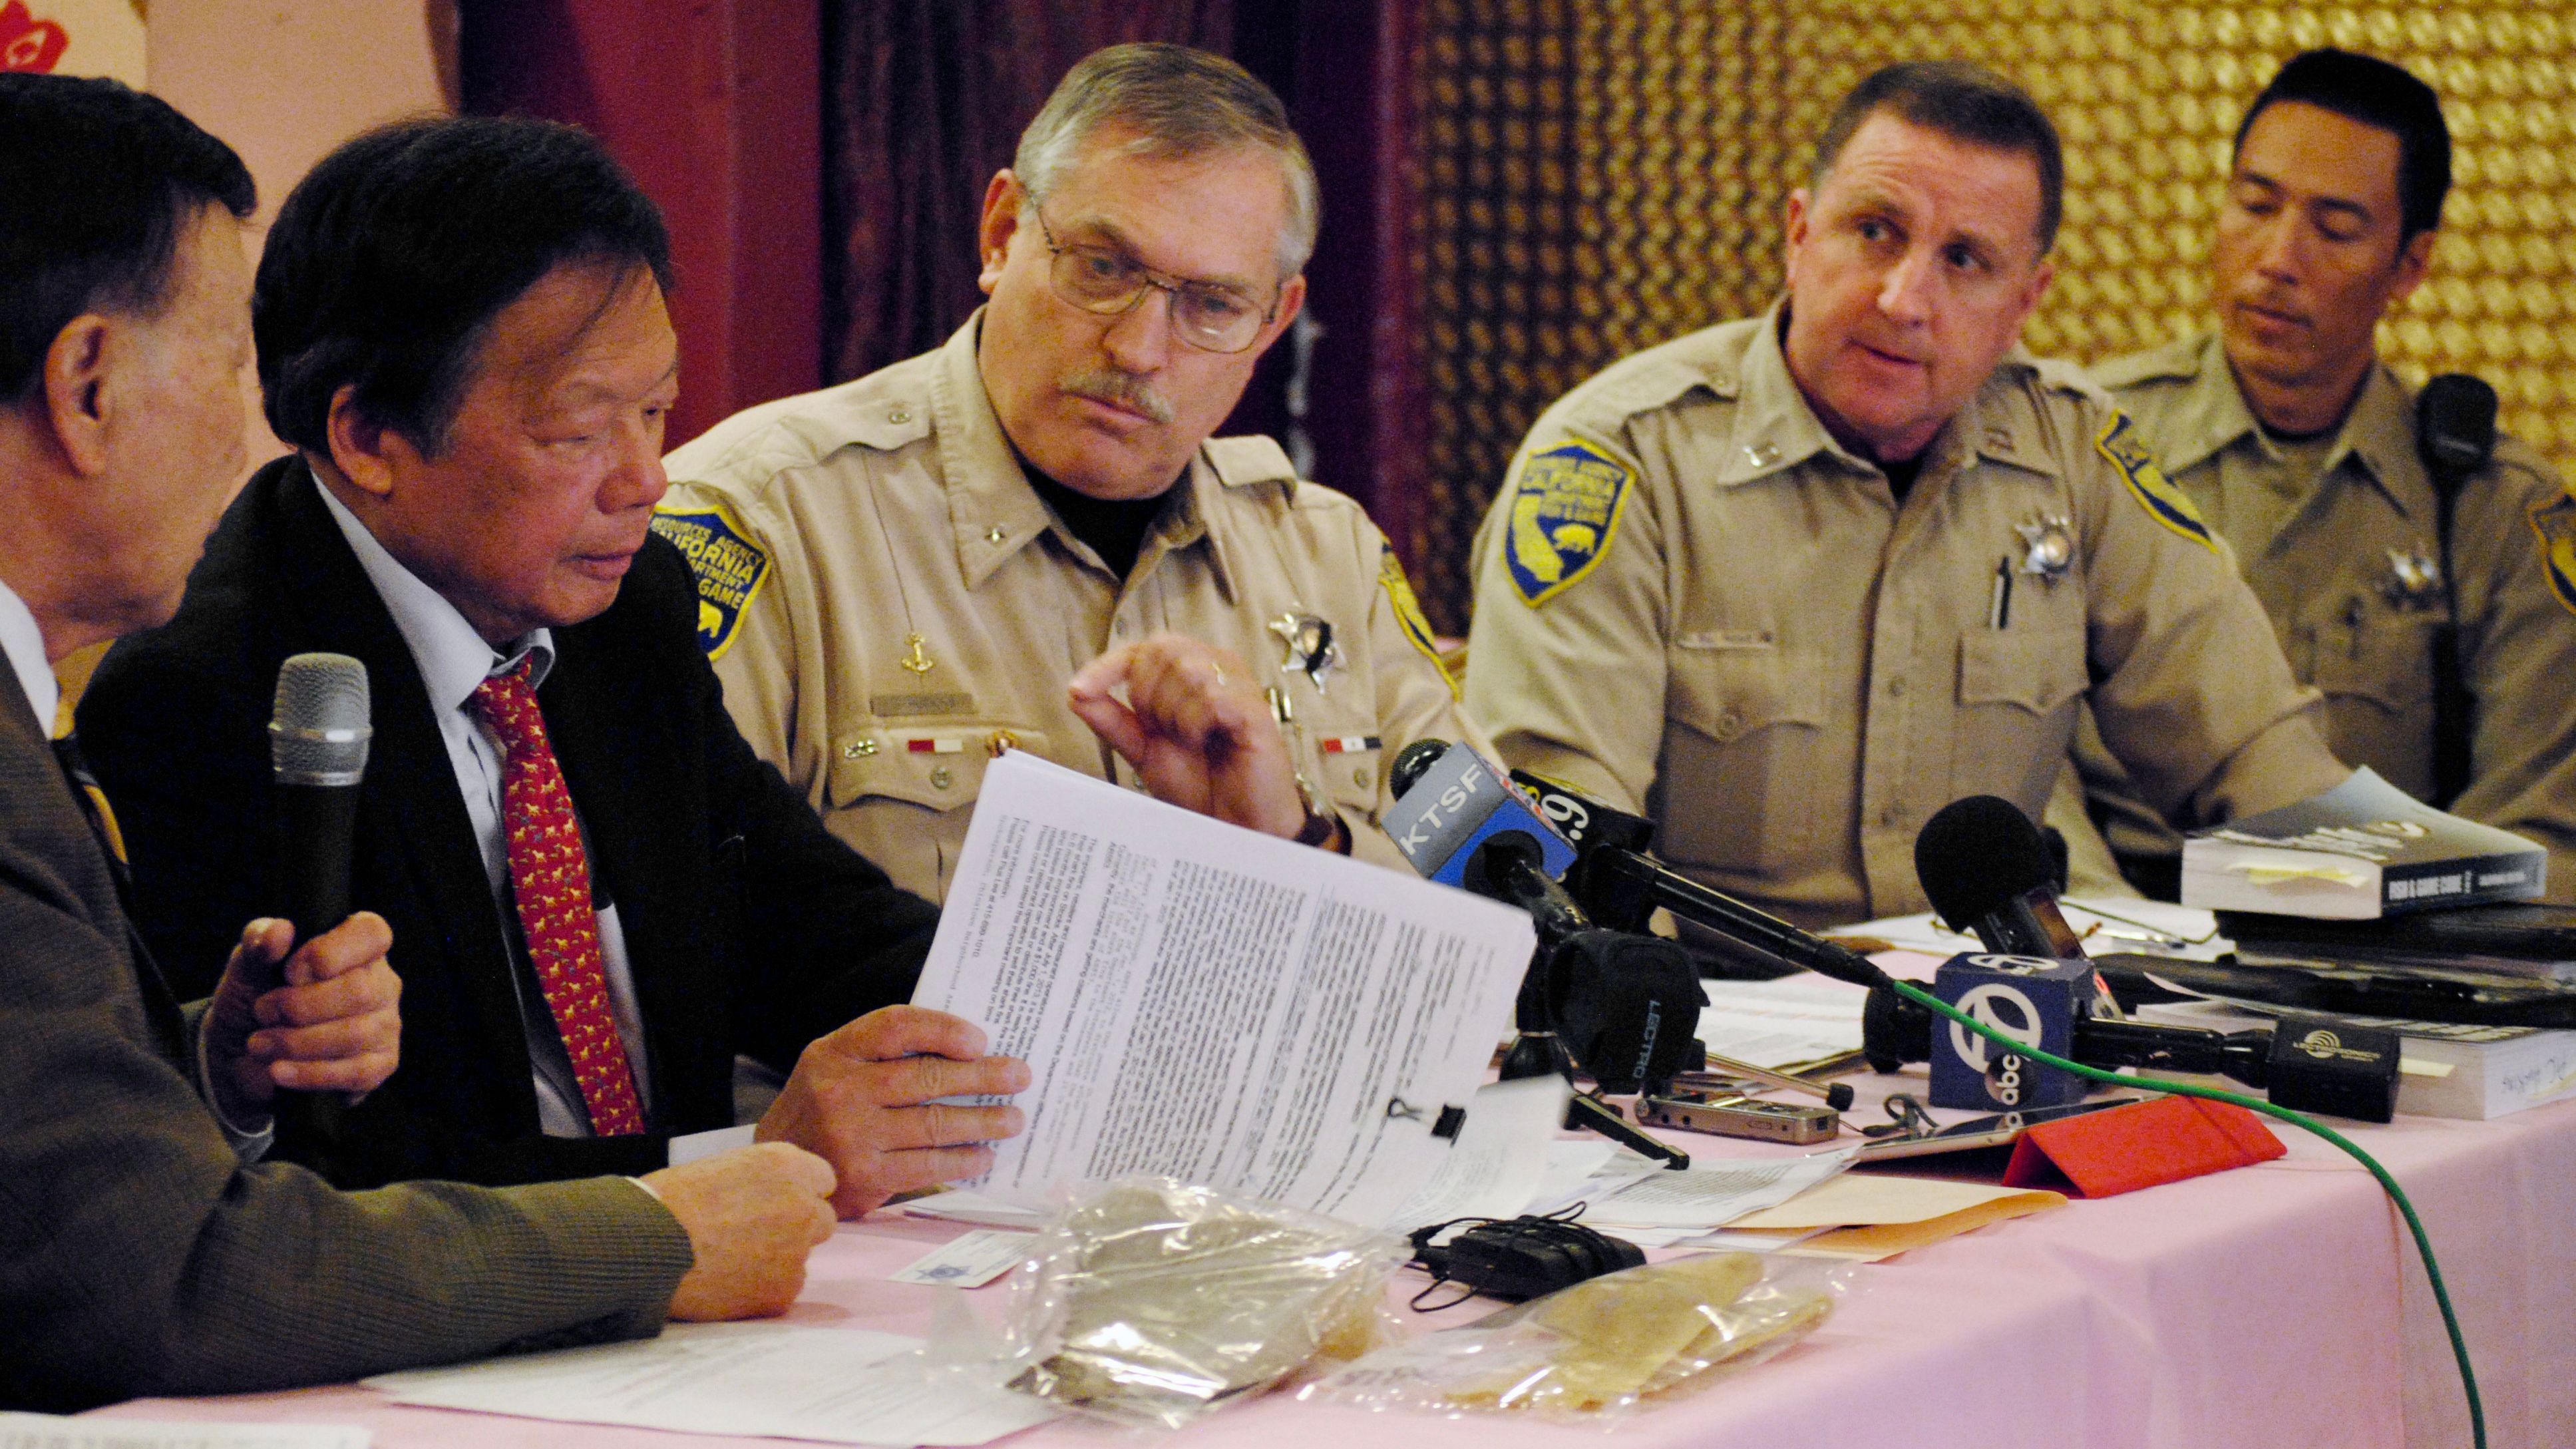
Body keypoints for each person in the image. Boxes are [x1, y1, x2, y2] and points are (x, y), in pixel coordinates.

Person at [0, 72, 835, 1412]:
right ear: (87, 382)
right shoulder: (179, 689)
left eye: (659, 411)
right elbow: (154, 1274)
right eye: (224, 362)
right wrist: (665, 1223)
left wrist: (215, 1067)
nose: (245, 427)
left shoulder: (626, 607)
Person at [78, 115, 1029, 1218]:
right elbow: (332, 1180)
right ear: (368, 437)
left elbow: (804, 922)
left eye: (658, 411)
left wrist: (1064, 1005)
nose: (646, 478)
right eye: (581, 430)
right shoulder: (208, 694)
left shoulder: (626, 605)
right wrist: (734, 1169)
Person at [1461, 61, 2352, 936]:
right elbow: (1553, 859)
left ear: (2024, 301)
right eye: (1874, 231)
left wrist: (2399, 935)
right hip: (1720, 1035)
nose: (1902, 299)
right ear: (1798, 233)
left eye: (1963, 260)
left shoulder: (2071, 453)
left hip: (1994, 1020)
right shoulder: (1618, 461)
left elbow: (2255, 756)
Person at [660, 43, 1475, 903]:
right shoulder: (765, 521)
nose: (1136, 348)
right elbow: (667, 941)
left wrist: (1304, 838)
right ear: (1002, 233)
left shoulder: (1329, 556)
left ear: (1272, 320)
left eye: (1209, 306)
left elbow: (1512, 892)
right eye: (1102, 268)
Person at [2058, 49, 2576, 901]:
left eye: (2334, 229)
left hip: (2393, 944)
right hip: (2120, 931)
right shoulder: (2086, 445)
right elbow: (2014, 759)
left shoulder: (2488, 504)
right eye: (2254, 205)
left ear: (2409, 266)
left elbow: (2536, 833)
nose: (2276, 257)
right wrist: (2094, 939)